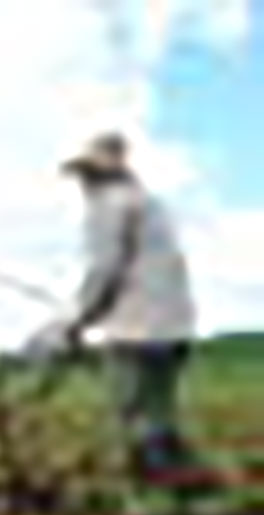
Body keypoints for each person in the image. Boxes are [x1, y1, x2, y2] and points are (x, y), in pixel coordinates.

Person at [25, 131, 214, 493]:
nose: (81, 184)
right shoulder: (149, 203)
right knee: (160, 413)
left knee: (135, 415)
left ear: (94, 175)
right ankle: (188, 485)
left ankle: (157, 491)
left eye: (84, 175)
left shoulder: (109, 207)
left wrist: (73, 322)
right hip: (175, 326)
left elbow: (104, 271)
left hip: (135, 329)